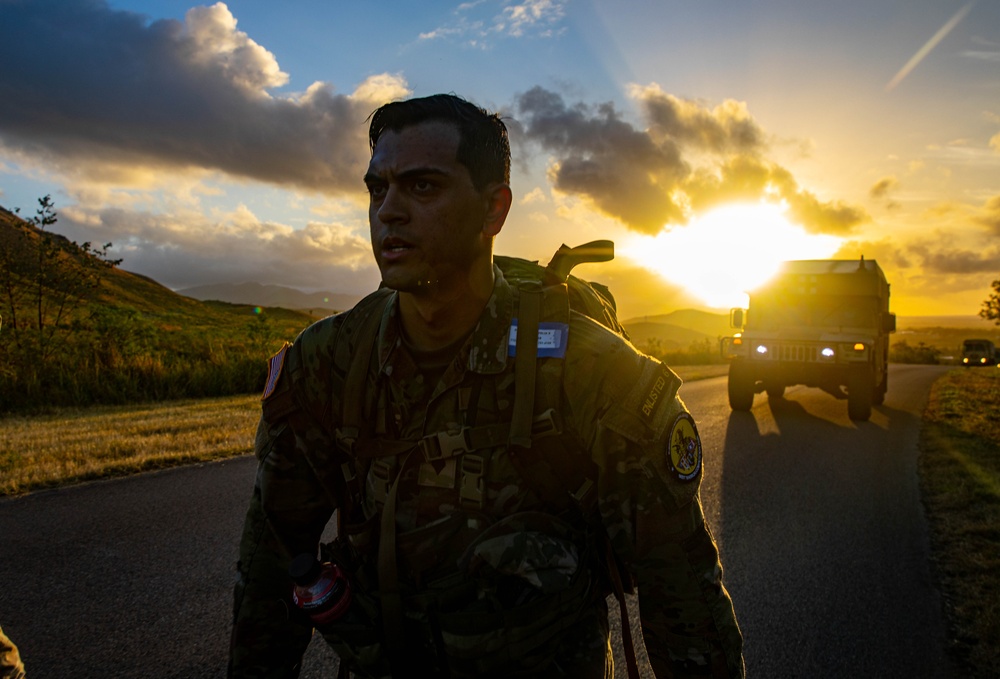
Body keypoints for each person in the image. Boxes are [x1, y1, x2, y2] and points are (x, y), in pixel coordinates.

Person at [229, 93, 744, 678]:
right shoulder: (326, 365)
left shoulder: (595, 373)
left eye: (422, 188)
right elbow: (270, 576)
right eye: (378, 189)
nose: (388, 212)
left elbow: (683, 601)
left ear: (493, 211)